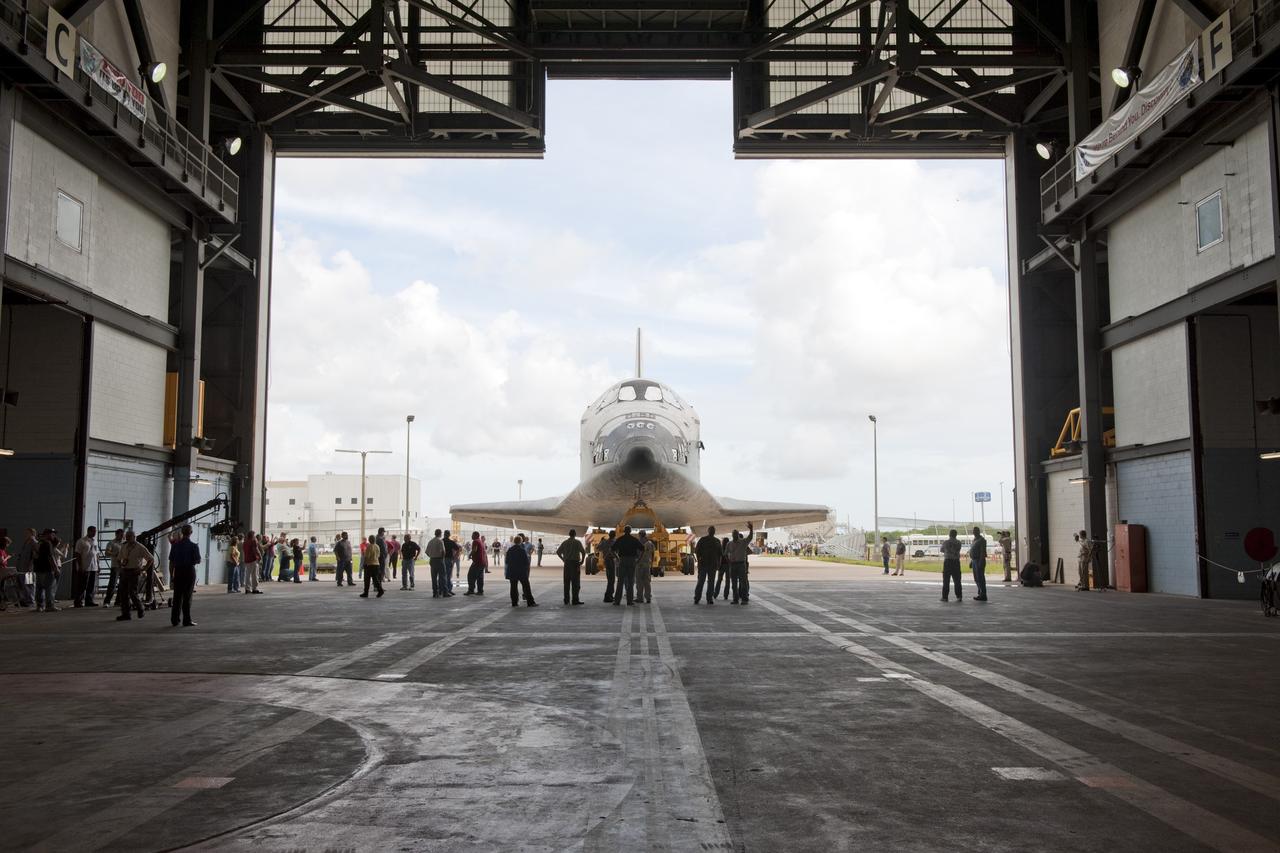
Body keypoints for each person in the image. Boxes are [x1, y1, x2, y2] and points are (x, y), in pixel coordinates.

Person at [169, 524, 201, 627]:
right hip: (189, 572)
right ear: (191, 533)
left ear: (182, 533)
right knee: (187, 597)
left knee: (177, 596)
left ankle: (175, 620)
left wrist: (172, 576)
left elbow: (171, 562)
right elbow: (198, 560)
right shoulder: (194, 546)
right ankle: (186, 620)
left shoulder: (175, 546)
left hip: (178, 572)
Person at [115, 531, 151, 621]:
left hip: (134, 571)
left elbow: (151, 559)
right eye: (126, 536)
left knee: (132, 592)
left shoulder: (140, 547)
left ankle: (140, 608)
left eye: (129, 536)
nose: (127, 538)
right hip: (125, 571)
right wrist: (120, 567)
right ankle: (126, 614)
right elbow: (119, 558)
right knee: (123, 594)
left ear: (134, 537)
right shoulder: (124, 546)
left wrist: (143, 569)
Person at [611, 526, 643, 606]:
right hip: (632, 561)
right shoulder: (634, 540)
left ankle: (617, 601)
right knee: (630, 581)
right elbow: (643, 549)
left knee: (620, 581)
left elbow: (612, 550)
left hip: (622, 560)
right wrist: (639, 559)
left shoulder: (620, 539)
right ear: (630, 531)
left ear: (624, 531)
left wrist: (617, 558)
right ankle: (629, 601)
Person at [505, 534, 536, 607]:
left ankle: (514, 602)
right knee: (526, 586)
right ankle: (530, 602)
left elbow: (506, 561)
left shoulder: (510, 550)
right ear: (521, 542)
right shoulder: (522, 550)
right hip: (521, 571)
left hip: (512, 571)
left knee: (513, 587)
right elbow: (526, 562)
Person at [72, 526, 100, 608]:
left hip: (93, 566)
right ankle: (78, 601)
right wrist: (80, 566)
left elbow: (97, 554)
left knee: (91, 585)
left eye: (95, 531)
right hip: (85, 566)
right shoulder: (81, 541)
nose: (94, 533)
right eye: (93, 531)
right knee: (82, 585)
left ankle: (89, 601)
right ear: (89, 531)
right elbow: (77, 554)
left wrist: (98, 565)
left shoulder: (95, 541)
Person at [33, 529, 61, 612]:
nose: (54, 536)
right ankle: (49, 606)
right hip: (47, 569)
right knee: (49, 588)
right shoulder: (47, 543)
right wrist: (56, 569)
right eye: (53, 534)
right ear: (48, 534)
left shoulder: (38, 543)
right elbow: (50, 557)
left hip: (38, 569)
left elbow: (35, 555)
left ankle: (39, 606)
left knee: (39, 588)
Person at [726, 522, 754, 604]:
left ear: (738, 534)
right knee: (734, 583)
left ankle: (744, 599)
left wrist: (751, 529)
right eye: (733, 534)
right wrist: (728, 560)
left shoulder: (743, 542)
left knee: (743, 582)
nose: (734, 535)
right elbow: (725, 553)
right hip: (733, 565)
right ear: (732, 535)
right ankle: (735, 599)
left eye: (735, 534)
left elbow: (750, 537)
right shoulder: (729, 544)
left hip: (741, 564)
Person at [694, 526, 722, 605]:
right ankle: (697, 598)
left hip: (712, 565)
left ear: (714, 532)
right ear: (708, 531)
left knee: (711, 583)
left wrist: (719, 563)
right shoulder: (703, 540)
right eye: (711, 530)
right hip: (703, 564)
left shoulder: (717, 541)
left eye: (713, 530)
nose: (712, 531)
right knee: (700, 582)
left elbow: (720, 554)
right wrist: (699, 562)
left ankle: (709, 599)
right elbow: (697, 551)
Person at [557, 529, 585, 605]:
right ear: (575, 534)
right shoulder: (577, 542)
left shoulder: (565, 542)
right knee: (575, 583)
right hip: (575, 564)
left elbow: (558, 552)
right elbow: (583, 552)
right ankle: (575, 600)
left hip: (567, 564)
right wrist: (582, 561)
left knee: (566, 582)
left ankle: (566, 600)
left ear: (569, 534)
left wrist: (563, 559)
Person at [940, 528, 963, 602]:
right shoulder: (959, 542)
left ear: (949, 534)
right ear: (956, 535)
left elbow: (942, 550)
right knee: (957, 580)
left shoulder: (946, 542)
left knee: (946, 580)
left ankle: (945, 597)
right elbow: (958, 550)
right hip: (956, 562)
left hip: (948, 562)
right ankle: (959, 596)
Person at [103, 528, 124, 604]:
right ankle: (107, 601)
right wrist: (115, 554)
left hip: (124, 566)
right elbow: (107, 552)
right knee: (112, 584)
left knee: (122, 584)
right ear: (116, 534)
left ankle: (118, 601)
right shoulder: (111, 543)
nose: (122, 536)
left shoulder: (124, 543)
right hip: (115, 566)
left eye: (123, 535)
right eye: (121, 535)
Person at [426, 529, 447, 597]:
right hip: (439, 560)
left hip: (432, 560)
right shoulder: (440, 541)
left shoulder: (431, 541)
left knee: (434, 577)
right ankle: (443, 592)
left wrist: (432, 556)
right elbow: (443, 551)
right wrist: (442, 558)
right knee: (442, 576)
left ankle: (435, 592)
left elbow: (426, 552)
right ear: (440, 534)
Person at [969, 526, 988, 602]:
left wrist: (981, 561)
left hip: (979, 560)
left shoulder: (982, 540)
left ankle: (983, 595)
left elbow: (982, 552)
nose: (973, 532)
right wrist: (971, 561)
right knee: (976, 578)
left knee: (980, 578)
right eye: (973, 531)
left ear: (978, 531)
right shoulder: (975, 540)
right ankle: (980, 593)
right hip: (974, 560)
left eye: (975, 531)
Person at [466, 531, 488, 595]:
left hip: (477, 562)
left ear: (476, 535)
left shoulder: (475, 541)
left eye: (472, 535)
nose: (471, 536)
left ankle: (471, 590)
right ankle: (480, 591)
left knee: (470, 576)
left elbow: (474, 550)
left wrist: (470, 555)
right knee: (480, 577)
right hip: (482, 562)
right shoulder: (480, 541)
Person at [598, 530, 617, 603]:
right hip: (611, 561)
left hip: (606, 560)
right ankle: (607, 596)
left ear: (609, 535)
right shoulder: (614, 542)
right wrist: (618, 558)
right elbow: (614, 552)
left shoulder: (604, 541)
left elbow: (598, 548)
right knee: (611, 580)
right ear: (614, 535)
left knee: (610, 579)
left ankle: (610, 596)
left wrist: (601, 541)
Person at [636, 531, 655, 604]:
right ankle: (648, 598)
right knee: (647, 582)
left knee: (639, 582)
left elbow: (637, 553)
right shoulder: (650, 543)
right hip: (647, 564)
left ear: (640, 535)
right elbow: (653, 553)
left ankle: (640, 598)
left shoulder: (638, 542)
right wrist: (652, 563)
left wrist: (637, 561)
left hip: (639, 564)